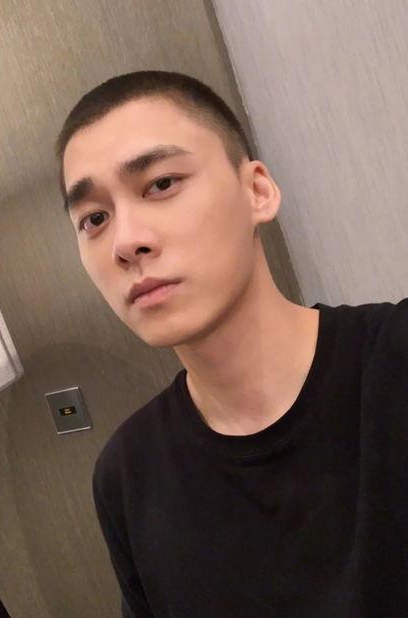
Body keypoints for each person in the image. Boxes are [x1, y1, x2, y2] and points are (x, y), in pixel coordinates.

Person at [55, 70, 408, 617]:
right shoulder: (127, 474)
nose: (126, 241)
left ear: (257, 192)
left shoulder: (394, 363)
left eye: (161, 184)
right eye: (94, 218)